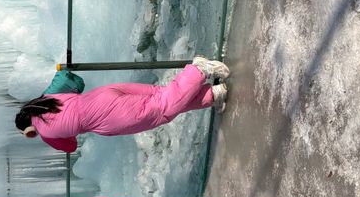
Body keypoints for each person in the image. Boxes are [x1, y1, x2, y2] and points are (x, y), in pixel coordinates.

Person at [15, 57, 230, 153]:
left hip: (105, 117)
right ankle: (213, 95)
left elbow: (70, 146)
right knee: (160, 95)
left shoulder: (45, 134)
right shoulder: (46, 99)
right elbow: (66, 79)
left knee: (161, 110)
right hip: (103, 95)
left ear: (28, 129)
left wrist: (40, 133)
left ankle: (198, 70)